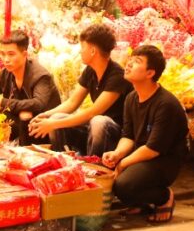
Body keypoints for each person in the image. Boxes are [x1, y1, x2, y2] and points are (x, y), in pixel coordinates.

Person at [102, 44, 188, 224]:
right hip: (142, 155)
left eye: (137, 61)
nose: (129, 64)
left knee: (123, 184)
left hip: (164, 160)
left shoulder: (165, 104)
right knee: (107, 174)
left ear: (150, 73)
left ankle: (164, 197)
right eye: (131, 59)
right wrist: (117, 155)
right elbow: (128, 136)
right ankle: (141, 203)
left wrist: (123, 163)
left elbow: (153, 149)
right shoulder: (131, 98)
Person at [29, 23, 132, 156]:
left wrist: (53, 124)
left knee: (98, 121)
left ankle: (94, 169)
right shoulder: (91, 70)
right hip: (94, 128)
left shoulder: (117, 75)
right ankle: (64, 165)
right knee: (57, 117)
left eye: (82, 47)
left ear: (93, 51)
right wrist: (46, 115)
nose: (80, 51)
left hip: (115, 135)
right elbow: (72, 103)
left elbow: (93, 113)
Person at [0, 30, 60, 145]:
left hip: (43, 126)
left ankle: (26, 154)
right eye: (3, 54)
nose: (6, 59)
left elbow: (38, 104)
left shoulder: (41, 76)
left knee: (25, 114)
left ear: (24, 55)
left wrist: (3, 102)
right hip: (20, 122)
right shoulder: (6, 73)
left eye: (11, 54)